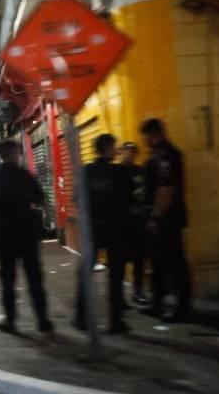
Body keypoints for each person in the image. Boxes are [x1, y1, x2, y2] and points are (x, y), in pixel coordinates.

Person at [0, 140, 53, 333]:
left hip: (3, 235)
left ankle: (10, 321)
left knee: (7, 280)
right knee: (34, 278)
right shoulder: (24, 176)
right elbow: (39, 197)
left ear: (0, 155)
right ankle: (42, 320)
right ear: (15, 154)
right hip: (26, 233)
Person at [75, 134, 132, 334]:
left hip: (93, 229)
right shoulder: (119, 172)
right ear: (109, 149)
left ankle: (80, 317)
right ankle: (115, 321)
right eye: (114, 147)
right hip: (116, 230)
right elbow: (131, 195)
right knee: (115, 277)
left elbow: (78, 198)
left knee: (85, 275)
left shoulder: (87, 172)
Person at [139, 118, 192, 323]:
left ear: (154, 134)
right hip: (162, 219)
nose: (144, 141)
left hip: (167, 220)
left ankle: (183, 309)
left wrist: (155, 217)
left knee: (175, 263)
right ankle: (157, 303)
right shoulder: (159, 155)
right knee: (159, 263)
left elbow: (166, 189)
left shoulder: (168, 156)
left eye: (146, 137)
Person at [121, 141, 149, 304]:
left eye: (133, 152)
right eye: (128, 151)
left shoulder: (140, 170)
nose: (130, 154)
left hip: (138, 222)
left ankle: (138, 291)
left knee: (139, 258)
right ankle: (120, 296)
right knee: (121, 260)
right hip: (123, 223)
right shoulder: (116, 171)